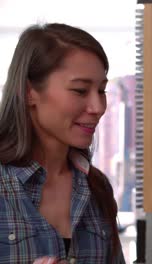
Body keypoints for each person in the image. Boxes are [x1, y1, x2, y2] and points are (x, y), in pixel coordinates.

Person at [0, 23, 125, 263]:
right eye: (80, 90)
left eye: (101, 90)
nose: (98, 108)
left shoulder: (98, 188)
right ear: (29, 92)